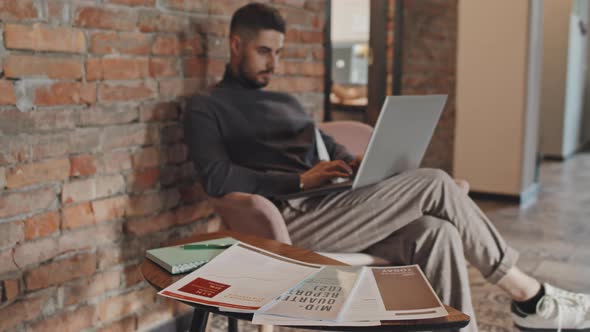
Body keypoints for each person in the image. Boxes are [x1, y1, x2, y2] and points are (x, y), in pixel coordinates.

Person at [184, 3, 590, 331]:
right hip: (290, 218)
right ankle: (530, 298)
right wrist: (298, 178)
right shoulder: (207, 107)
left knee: (438, 232)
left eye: (279, 52)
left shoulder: (286, 103)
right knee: (434, 183)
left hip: (333, 204)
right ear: (236, 45)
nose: (273, 63)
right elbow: (216, 177)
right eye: (264, 51)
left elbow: (326, 145)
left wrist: (357, 162)